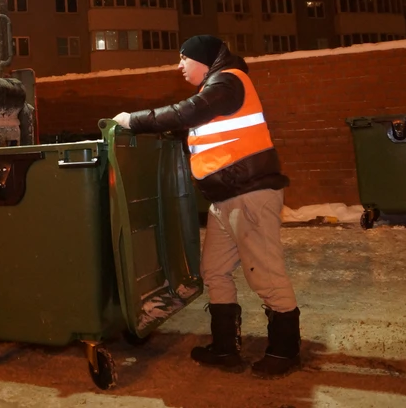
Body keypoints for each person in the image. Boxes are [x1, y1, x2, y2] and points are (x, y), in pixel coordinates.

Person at [112, 35, 300, 378]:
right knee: (214, 270)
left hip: (250, 195)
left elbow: (188, 112)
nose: (179, 65)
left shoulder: (228, 81)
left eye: (184, 58)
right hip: (225, 198)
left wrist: (133, 121)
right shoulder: (216, 89)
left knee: (266, 274)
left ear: (203, 60)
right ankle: (225, 347)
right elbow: (201, 127)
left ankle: (285, 351)